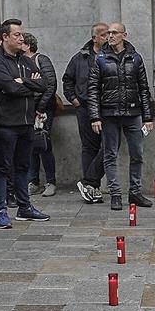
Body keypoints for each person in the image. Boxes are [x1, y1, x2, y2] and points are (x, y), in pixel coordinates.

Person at [0, 19, 48, 227]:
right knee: (2, 167)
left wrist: (23, 81)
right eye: (17, 35)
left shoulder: (24, 60)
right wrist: (27, 83)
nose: (22, 38)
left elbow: (44, 84)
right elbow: (10, 88)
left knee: (23, 166)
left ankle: (24, 207)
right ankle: (0, 210)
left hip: (26, 122)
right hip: (5, 124)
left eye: (22, 34)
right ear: (5, 37)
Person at [86, 20, 155, 211]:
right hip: (109, 113)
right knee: (110, 154)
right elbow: (92, 89)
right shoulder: (100, 58)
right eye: (109, 33)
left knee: (137, 154)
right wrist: (95, 116)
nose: (111, 36)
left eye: (115, 33)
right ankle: (115, 193)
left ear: (124, 35)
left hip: (133, 113)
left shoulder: (135, 58)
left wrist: (148, 117)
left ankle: (135, 192)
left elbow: (144, 89)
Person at [64, 22, 108, 202]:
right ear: (94, 38)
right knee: (89, 147)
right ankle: (92, 188)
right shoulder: (80, 58)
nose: (108, 38)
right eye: (104, 35)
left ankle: (89, 181)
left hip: (106, 107)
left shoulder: (111, 56)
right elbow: (67, 79)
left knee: (109, 147)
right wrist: (74, 100)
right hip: (84, 107)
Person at [26, 32, 58, 196]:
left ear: (27, 45)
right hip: (28, 110)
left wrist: (41, 108)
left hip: (42, 110)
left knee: (44, 143)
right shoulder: (21, 62)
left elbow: (50, 85)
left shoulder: (41, 60)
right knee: (31, 145)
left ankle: (50, 181)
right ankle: (33, 181)